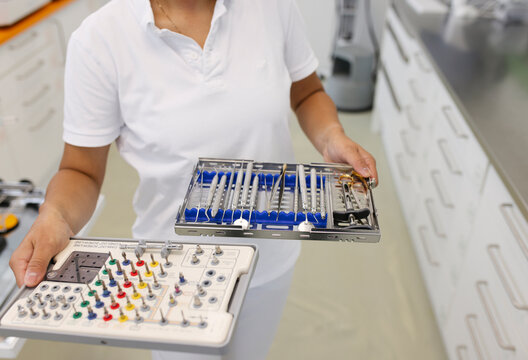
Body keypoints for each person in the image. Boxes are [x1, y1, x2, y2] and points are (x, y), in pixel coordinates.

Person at [9, 0, 378, 359]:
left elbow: (308, 91)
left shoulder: (272, 6)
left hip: (270, 254)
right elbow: (81, 170)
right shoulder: (100, 38)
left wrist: (332, 136)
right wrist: (55, 215)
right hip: (172, 268)